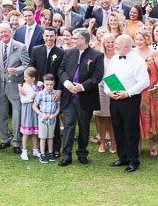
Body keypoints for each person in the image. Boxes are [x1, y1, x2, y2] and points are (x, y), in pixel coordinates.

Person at [57, 27, 105, 166]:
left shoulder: (96, 55)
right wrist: (67, 84)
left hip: (86, 97)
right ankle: (66, 155)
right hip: (69, 96)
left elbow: (98, 76)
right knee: (68, 125)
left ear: (83, 40)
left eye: (74, 38)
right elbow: (61, 70)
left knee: (84, 127)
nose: (72, 40)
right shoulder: (69, 52)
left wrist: (82, 87)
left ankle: (82, 153)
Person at [105, 35, 150, 172]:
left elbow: (144, 82)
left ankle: (133, 160)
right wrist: (108, 92)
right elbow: (107, 77)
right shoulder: (113, 59)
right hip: (114, 98)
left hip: (130, 99)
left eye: (117, 43)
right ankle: (122, 157)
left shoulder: (137, 61)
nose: (114, 45)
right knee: (117, 128)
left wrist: (128, 93)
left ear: (126, 46)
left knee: (131, 130)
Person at [28, 26, 64, 159]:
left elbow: (62, 72)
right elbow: (31, 67)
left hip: (54, 90)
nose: (49, 38)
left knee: (54, 117)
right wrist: (31, 86)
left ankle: (55, 149)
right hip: (40, 90)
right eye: (46, 36)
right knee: (40, 117)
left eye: (51, 36)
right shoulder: (37, 50)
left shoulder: (60, 52)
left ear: (55, 36)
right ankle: (40, 148)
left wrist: (59, 89)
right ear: (43, 36)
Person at [0, 23, 26, 154]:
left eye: (6, 32)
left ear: (10, 32)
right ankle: (4, 139)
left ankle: (16, 142)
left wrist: (17, 70)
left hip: (15, 85)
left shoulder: (20, 46)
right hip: (0, 85)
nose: (4, 34)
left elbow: (26, 64)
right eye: (1, 33)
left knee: (17, 114)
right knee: (1, 113)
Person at [132, 30, 158, 157]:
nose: (139, 42)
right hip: (136, 91)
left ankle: (153, 145)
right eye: (137, 39)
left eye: (141, 39)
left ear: (147, 39)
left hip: (151, 92)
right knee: (137, 118)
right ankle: (138, 144)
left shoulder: (155, 54)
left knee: (153, 117)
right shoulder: (132, 53)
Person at [93, 32, 115, 155]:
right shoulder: (99, 56)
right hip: (101, 86)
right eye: (108, 42)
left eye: (112, 42)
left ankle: (113, 142)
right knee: (101, 116)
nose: (110, 44)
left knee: (112, 116)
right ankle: (102, 142)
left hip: (115, 86)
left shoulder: (118, 56)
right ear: (103, 43)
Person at [33, 73, 60, 163]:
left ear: (54, 83)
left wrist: (54, 115)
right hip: (42, 120)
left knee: (51, 137)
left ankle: (51, 153)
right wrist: (41, 114)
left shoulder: (55, 94)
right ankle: (42, 154)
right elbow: (34, 106)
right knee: (43, 137)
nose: (49, 86)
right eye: (47, 84)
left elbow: (58, 108)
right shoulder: (40, 94)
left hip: (52, 119)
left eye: (51, 84)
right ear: (43, 84)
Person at [18, 67, 40, 160]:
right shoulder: (24, 87)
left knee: (35, 131)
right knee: (26, 132)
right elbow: (22, 100)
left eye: (26, 77)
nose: (24, 79)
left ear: (33, 78)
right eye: (24, 77)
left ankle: (36, 150)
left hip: (36, 110)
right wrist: (32, 97)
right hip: (27, 109)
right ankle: (24, 151)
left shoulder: (39, 85)